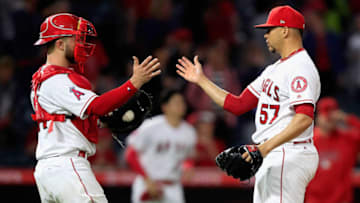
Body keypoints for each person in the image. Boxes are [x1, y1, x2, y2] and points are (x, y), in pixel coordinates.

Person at [176, 5, 321, 203]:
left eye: (270, 29)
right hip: (273, 152)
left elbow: (304, 118)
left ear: (285, 30)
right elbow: (238, 104)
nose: (266, 35)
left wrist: (263, 149)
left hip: (288, 152)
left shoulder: (300, 67)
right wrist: (201, 80)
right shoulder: (275, 69)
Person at [31, 13, 161, 202]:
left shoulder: (44, 77)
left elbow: (77, 117)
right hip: (67, 166)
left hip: (51, 170)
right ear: (59, 44)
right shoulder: (56, 79)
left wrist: (104, 121)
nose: (82, 45)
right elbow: (98, 106)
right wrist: (134, 82)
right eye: (76, 39)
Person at [125, 89, 196, 203]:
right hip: (147, 183)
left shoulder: (189, 132)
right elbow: (131, 154)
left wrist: (188, 166)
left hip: (173, 186)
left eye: (182, 102)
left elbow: (187, 158)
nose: (181, 106)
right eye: (176, 102)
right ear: (165, 107)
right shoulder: (151, 126)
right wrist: (147, 179)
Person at [305, 97, 360, 203]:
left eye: (332, 115)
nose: (329, 119)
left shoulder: (347, 138)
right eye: (325, 115)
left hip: (342, 200)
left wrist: (347, 119)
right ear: (318, 117)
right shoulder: (308, 141)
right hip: (314, 200)